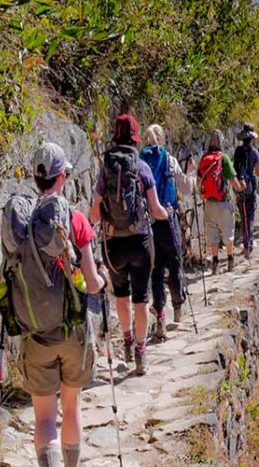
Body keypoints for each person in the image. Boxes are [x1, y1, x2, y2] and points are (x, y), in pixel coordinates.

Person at [1, 143, 108, 467]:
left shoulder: (17, 226)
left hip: (35, 336)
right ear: (63, 178)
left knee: (43, 417)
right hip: (73, 333)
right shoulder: (75, 221)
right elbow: (93, 281)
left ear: (35, 178)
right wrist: (101, 284)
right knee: (71, 406)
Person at [90, 114, 168, 375]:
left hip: (113, 244)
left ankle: (127, 340)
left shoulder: (106, 169)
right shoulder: (142, 167)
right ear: (135, 137)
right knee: (142, 298)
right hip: (141, 242)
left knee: (121, 296)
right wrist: (166, 214)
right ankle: (141, 353)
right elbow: (155, 208)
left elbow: (93, 214)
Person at [140, 124, 196, 341]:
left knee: (155, 270)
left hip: (147, 221)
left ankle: (160, 317)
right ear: (162, 140)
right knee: (174, 264)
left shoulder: (140, 162)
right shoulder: (170, 160)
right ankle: (178, 311)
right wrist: (191, 171)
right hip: (167, 217)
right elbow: (187, 188)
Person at [197, 129, 243, 274]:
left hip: (209, 204)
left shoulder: (204, 159)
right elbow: (233, 182)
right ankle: (230, 262)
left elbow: (198, 181)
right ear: (221, 142)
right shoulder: (223, 159)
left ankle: (215, 266)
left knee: (213, 235)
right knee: (228, 233)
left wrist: (201, 194)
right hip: (223, 202)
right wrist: (241, 188)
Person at [233, 123, 259, 259]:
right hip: (250, 186)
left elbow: (235, 168)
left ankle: (246, 244)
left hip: (239, 186)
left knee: (243, 214)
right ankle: (249, 244)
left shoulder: (238, 150)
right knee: (250, 215)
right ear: (252, 138)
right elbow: (258, 171)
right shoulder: (254, 152)